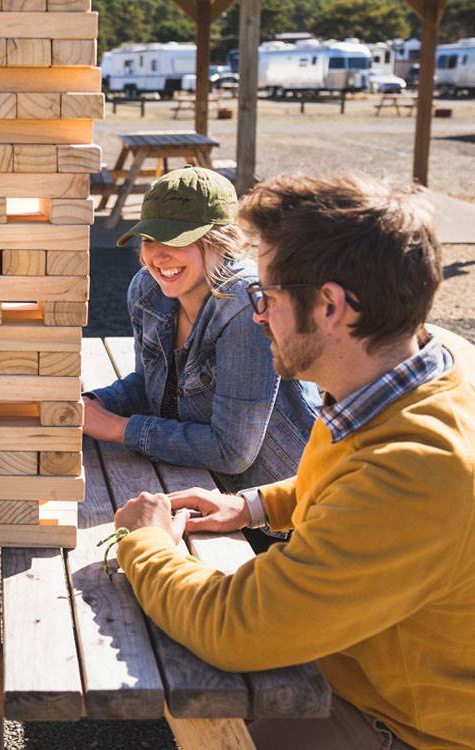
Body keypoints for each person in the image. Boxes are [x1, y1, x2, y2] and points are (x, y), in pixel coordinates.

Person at [112, 173, 475, 749]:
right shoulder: (440, 357)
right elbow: (348, 479)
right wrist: (251, 504)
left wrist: (145, 542)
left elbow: (232, 627)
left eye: (268, 296)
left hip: (400, 724)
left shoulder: (415, 473)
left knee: (196, 688)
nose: (257, 315)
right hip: (362, 664)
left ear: (331, 305)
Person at [84, 167, 319, 543]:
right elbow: (149, 387)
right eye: (148, 238)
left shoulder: (246, 307)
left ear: (218, 242)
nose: (157, 255)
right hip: (204, 493)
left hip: (282, 523)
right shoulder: (148, 289)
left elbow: (231, 451)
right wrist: (88, 406)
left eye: (175, 240)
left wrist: (114, 428)